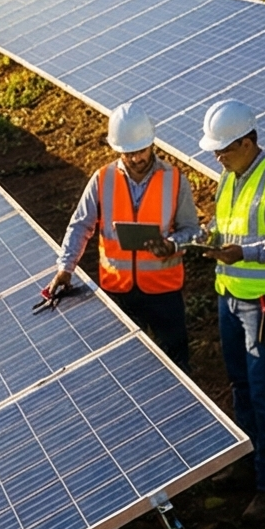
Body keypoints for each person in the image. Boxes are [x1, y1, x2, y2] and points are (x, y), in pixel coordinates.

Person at [200, 97, 265, 523]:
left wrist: (245, 252)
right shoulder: (228, 178)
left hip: (263, 305)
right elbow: (226, 226)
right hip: (229, 297)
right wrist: (206, 237)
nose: (218, 156)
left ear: (247, 142)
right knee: (240, 385)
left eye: (223, 149)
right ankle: (247, 461)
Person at [46, 102, 195, 367]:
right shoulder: (102, 179)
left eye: (141, 150)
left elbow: (191, 230)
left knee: (175, 361)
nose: (137, 158)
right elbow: (80, 225)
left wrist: (171, 245)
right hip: (118, 289)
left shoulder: (175, 179)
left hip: (163, 291)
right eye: (129, 153)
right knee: (126, 365)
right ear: (117, 150)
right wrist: (65, 267)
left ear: (152, 144)